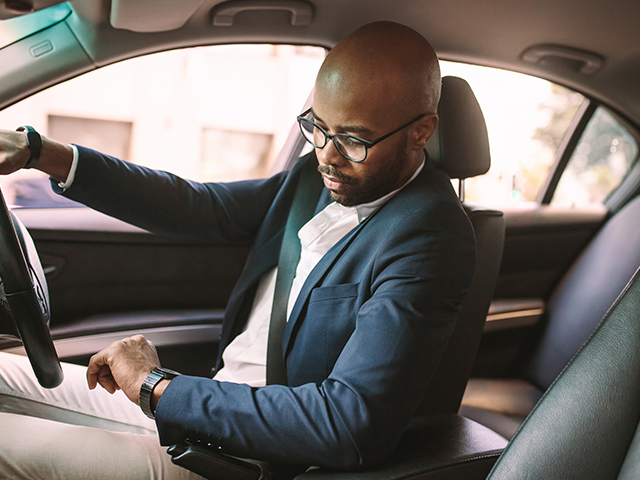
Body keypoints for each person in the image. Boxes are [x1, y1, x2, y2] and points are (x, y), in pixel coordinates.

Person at [0, 21, 475, 479]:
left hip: (254, 460)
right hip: (207, 412)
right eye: (318, 127)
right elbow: (200, 207)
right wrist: (44, 154)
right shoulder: (317, 176)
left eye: (353, 139)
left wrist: (157, 386)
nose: (327, 155)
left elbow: (348, 423)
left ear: (421, 131)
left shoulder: (431, 237)